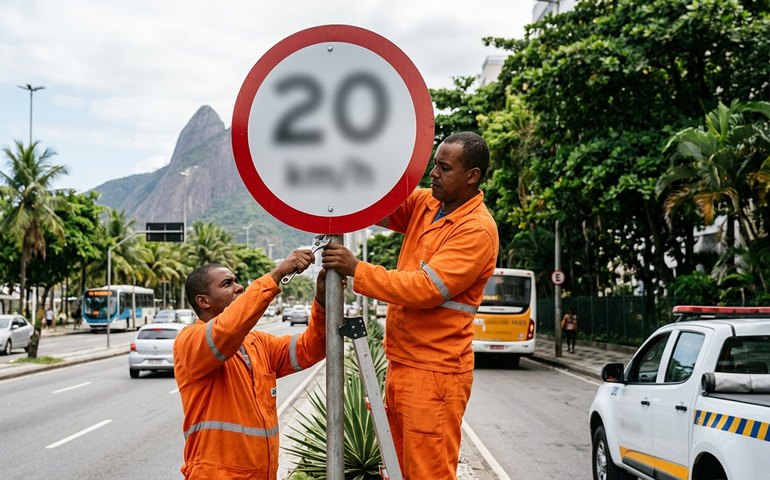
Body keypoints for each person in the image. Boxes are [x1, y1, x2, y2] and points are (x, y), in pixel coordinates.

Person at [321, 131, 499, 478]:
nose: (434, 173)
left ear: (472, 176)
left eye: (444, 168)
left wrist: (356, 269)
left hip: (435, 373)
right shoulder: (428, 204)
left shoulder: (476, 230)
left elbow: (425, 289)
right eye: (435, 164)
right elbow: (378, 207)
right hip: (402, 362)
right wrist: (347, 156)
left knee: (427, 472)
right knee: (398, 469)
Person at [173, 249, 331, 479]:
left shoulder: (257, 342)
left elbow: (312, 348)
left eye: (236, 281)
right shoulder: (189, 341)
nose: (239, 287)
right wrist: (276, 276)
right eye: (227, 283)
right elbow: (226, 329)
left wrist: (322, 301)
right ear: (203, 301)